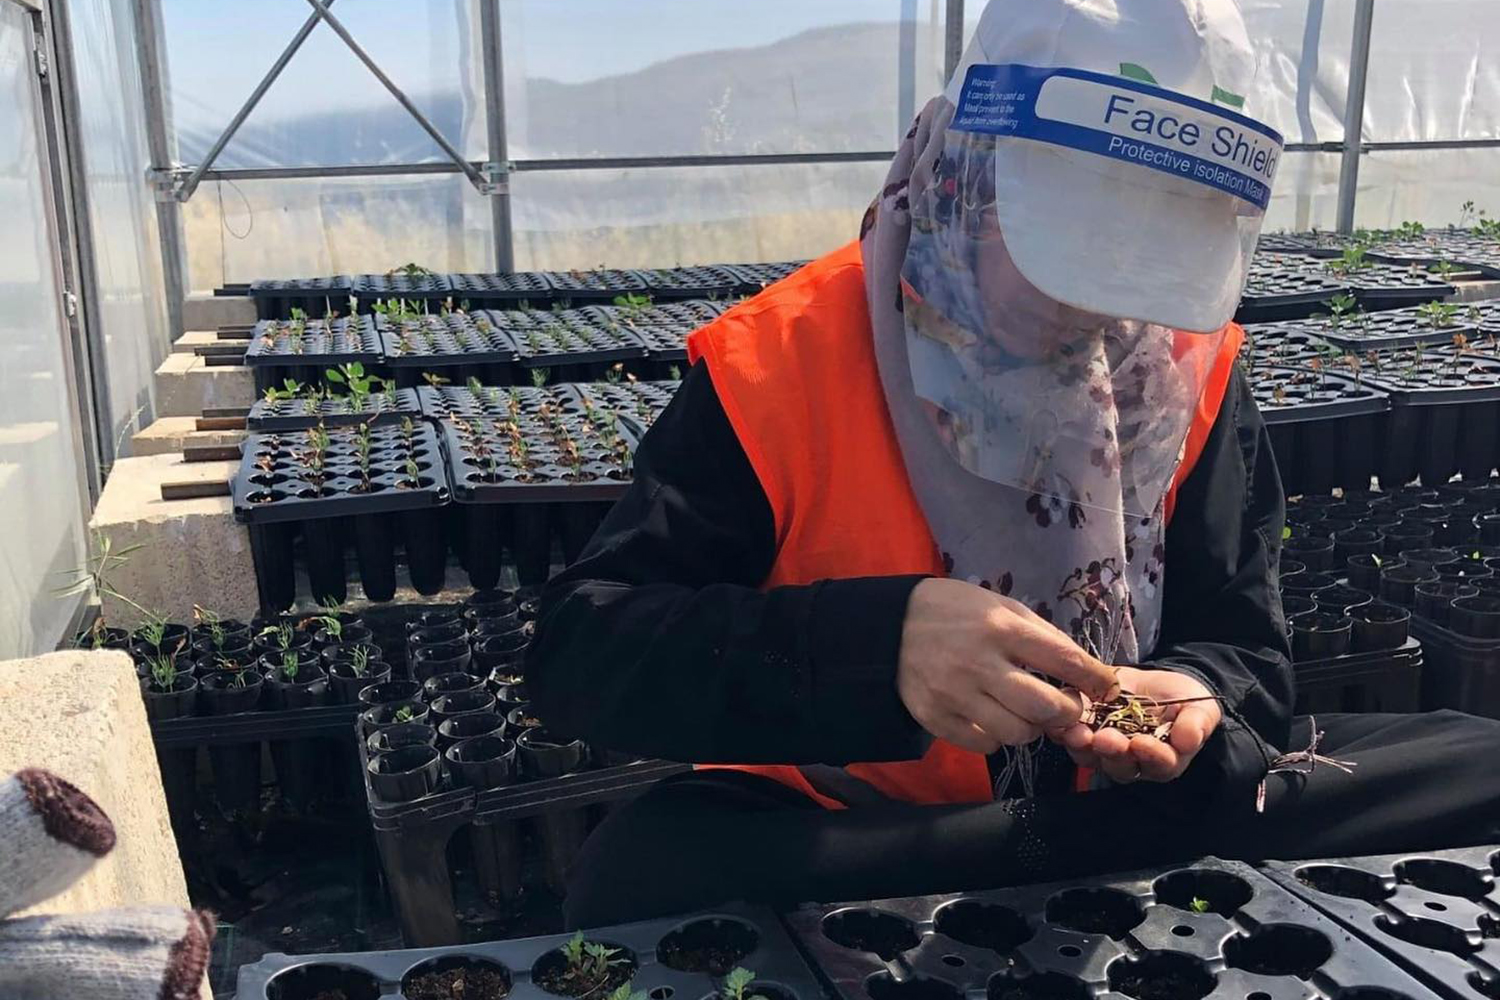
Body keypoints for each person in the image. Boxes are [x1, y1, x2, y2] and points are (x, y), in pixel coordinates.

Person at [527, 0, 1500, 928]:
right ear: (966, 165)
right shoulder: (780, 363)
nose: (1098, 311)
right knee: (636, 872)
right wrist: (883, 648)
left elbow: (1245, 646)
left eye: (1143, 261)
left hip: (1114, 813)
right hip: (866, 828)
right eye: (1070, 249)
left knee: (1478, 765)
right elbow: (584, 650)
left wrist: (1197, 695)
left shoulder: (1194, 372)